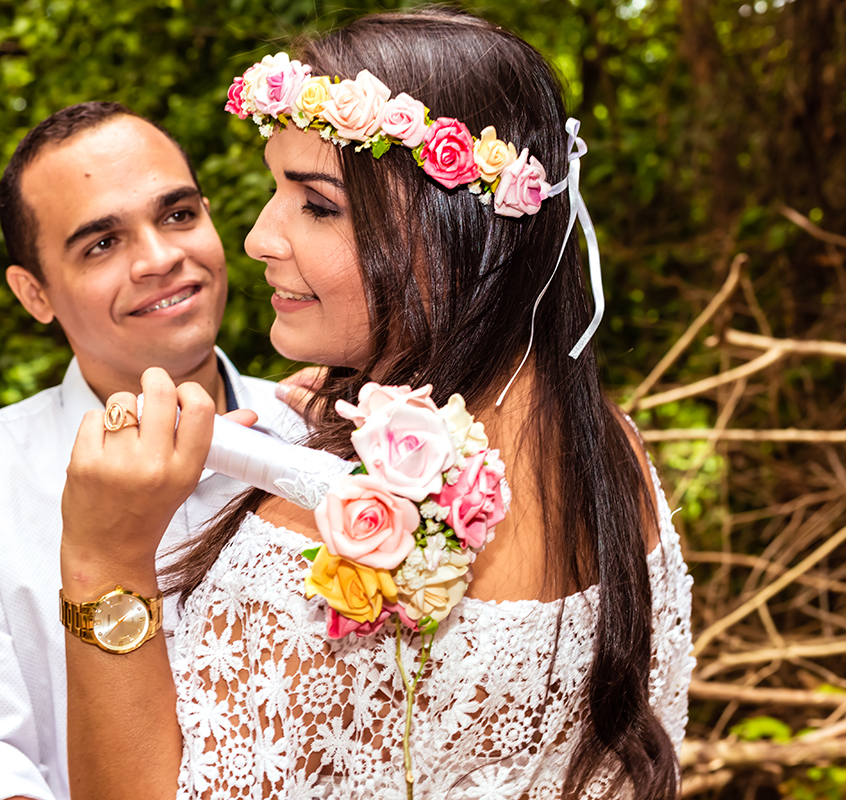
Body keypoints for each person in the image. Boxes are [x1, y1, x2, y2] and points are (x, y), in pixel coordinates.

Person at [57, 9, 694, 800]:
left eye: (317, 205)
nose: (258, 238)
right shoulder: (613, 455)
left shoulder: (335, 546)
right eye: (275, 191)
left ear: (459, 233)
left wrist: (104, 558)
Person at [0, 102, 303, 800]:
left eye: (178, 215)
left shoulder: (330, 430)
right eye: (101, 244)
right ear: (34, 293)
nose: (160, 258)